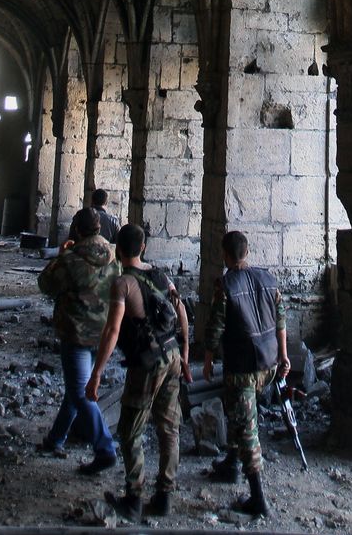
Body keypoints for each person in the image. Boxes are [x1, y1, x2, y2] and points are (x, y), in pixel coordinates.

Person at [85, 222, 192, 521]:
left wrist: (96, 374)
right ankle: (164, 496)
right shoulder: (160, 275)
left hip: (147, 362)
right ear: (143, 247)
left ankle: (134, 498)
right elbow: (181, 310)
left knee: (130, 429)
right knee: (169, 426)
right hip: (171, 355)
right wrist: (185, 354)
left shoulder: (123, 283)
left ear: (117, 250)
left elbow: (113, 329)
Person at [203, 230, 290, 518]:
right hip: (269, 362)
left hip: (242, 366)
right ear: (248, 251)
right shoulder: (267, 279)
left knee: (247, 427)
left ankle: (259, 499)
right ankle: (230, 463)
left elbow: (215, 327)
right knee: (242, 415)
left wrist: (207, 358)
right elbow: (281, 320)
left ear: (225, 255)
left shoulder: (225, 285)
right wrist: (284, 355)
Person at [37, 207, 120, 473]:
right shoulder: (115, 255)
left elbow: (45, 285)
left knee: (80, 391)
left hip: (77, 332)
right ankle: (55, 439)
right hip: (105, 333)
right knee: (78, 387)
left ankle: (105, 448)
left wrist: (61, 254)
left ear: (78, 230)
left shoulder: (71, 259)